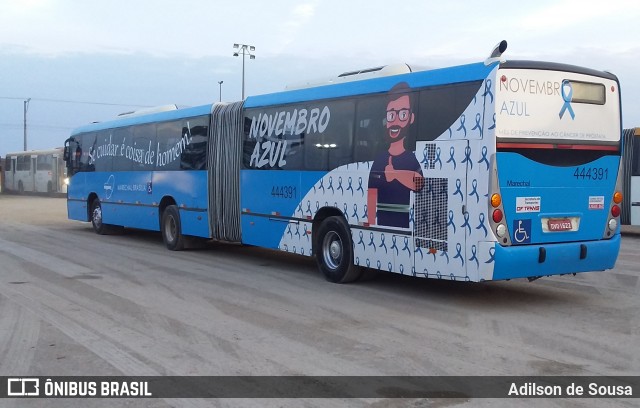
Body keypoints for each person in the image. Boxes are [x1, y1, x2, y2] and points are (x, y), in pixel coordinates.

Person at [367, 82, 423, 228]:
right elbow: (371, 196)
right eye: (391, 115)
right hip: (381, 224)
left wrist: (395, 174)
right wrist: (370, 225)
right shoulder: (378, 160)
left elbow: (419, 183)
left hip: (404, 225)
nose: (396, 121)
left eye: (402, 114)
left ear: (411, 118)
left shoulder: (411, 158)